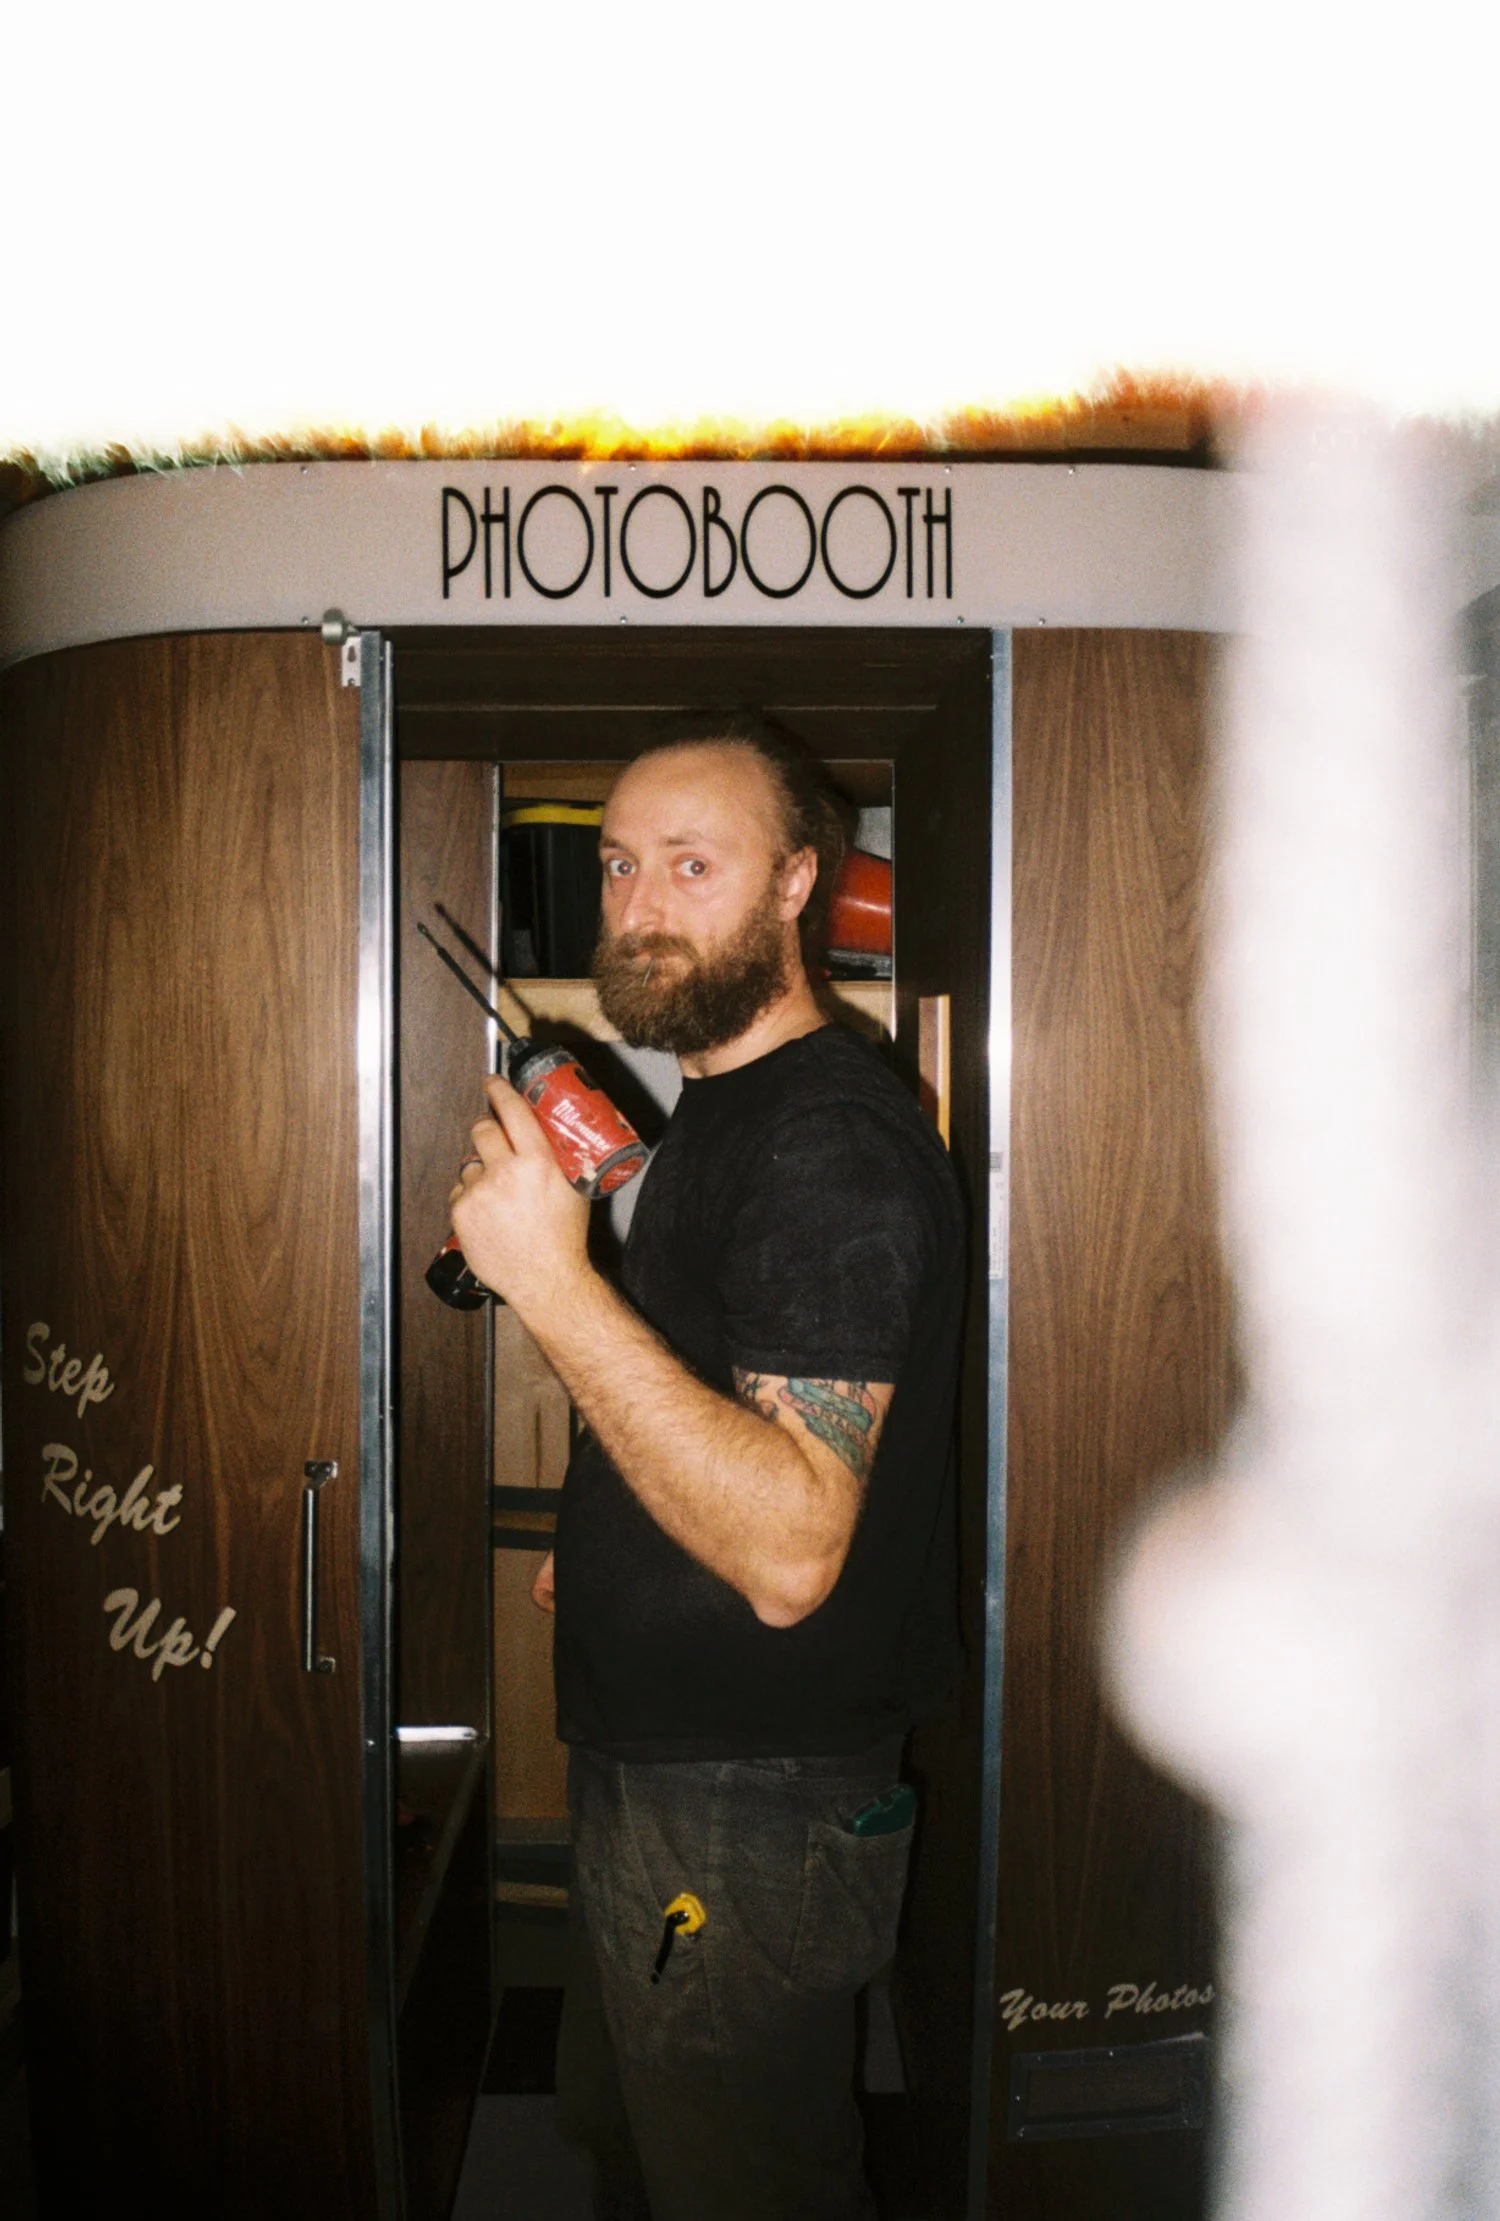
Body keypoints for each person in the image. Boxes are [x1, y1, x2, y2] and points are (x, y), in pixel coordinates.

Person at [450, 716, 965, 2221]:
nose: (639, 906)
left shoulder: (828, 1149)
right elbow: (710, 1397)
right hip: (670, 1782)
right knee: (643, 2132)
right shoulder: (725, 1109)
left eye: (693, 864)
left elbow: (799, 1547)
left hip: (740, 1825)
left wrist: (549, 1284)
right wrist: (613, 1525)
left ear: (798, 884)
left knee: (742, 2174)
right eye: (618, 866)